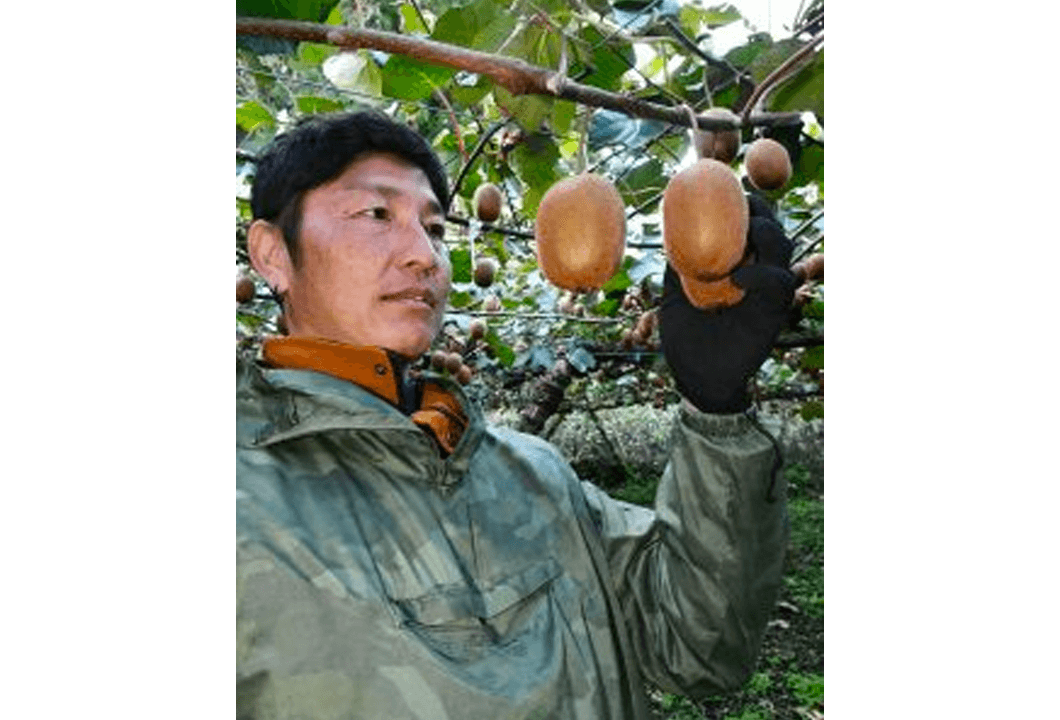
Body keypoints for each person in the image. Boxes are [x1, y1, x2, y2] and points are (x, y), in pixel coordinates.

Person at [236, 110, 798, 720]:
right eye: (376, 214)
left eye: (435, 228)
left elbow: (702, 650)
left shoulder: (535, 475)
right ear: (271, 253)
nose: (424, 256)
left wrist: (717, 413)